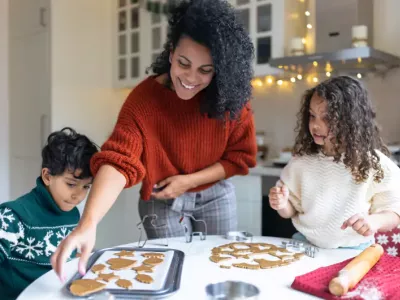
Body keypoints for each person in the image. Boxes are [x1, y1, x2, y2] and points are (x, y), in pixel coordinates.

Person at [51, 0, 257, 279]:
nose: (190, 78)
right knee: (171, 271)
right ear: (171, 53)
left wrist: (188, 182)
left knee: (219, 270)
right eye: (184, 63)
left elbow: (240, 158)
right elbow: (118, 162)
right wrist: (88, 223)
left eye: (205, 70)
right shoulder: (143, 101)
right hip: (161, 200)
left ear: (218, 70)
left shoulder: (232, 102)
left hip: (215, 195)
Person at [269, 76, 400, 249]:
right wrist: (281, 203)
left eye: (327, 118)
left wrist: (374, 221)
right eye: (312, 116)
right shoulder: (301, 163)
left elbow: (394, 212)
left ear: (351, 121)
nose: (315, 125)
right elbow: (290, 211)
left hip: (356, 249)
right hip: (307, 244)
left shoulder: (373, 163)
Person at [0, 127, 98, 299]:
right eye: (71, 184)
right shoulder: (12, 215)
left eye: (86, 187)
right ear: (47, 176)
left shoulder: (74, 214)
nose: (78, 195)